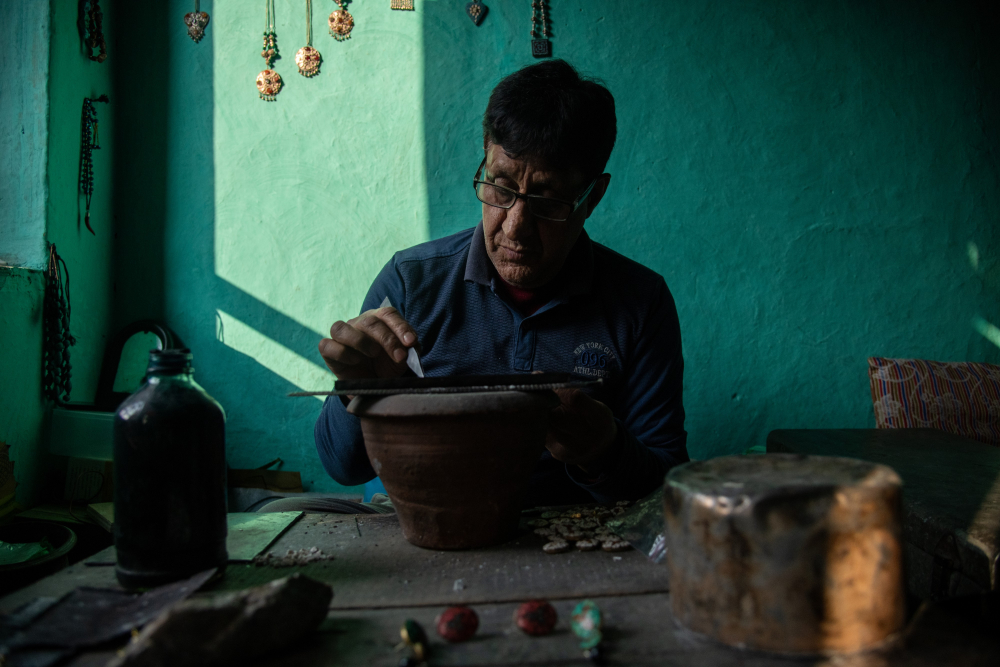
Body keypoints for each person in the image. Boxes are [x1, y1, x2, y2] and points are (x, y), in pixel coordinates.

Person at [315, 59, 688, 508]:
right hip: (426, 528)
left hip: (567, 545)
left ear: (594, 197)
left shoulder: (639, 303)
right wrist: (357, 391)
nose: (515, 228)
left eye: (548, 200)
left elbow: (668, 489)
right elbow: (342, 467)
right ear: (485, 166)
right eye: (500, 188)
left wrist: (604, 451)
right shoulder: (411, 282)